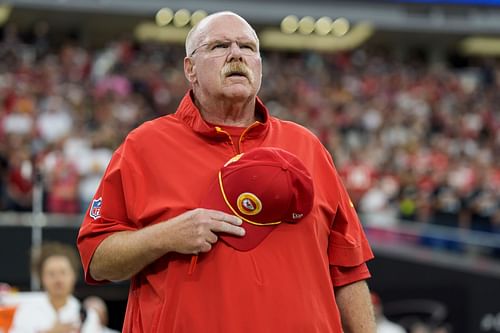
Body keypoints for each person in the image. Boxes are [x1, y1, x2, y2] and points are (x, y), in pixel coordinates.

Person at [77, 11, 375, 332]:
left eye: (248, 48)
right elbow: (97, 258)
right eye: (219, 46)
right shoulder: (144, 146)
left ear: (259, 65)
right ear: (190, 69)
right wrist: (164, 236)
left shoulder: (307, 147)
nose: (236, 54)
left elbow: (348, 269)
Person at [9, 242, 99, 333]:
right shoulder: (26, 311)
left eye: (63, 272)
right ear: (41, 278)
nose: (58, 280)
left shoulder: (89, 316)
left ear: (74, 276)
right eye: (51, 274)